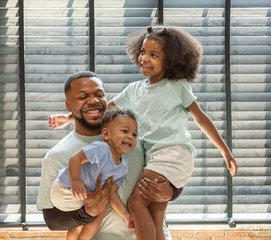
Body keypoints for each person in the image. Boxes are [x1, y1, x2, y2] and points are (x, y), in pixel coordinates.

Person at [48, 25, 239, 240]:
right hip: (154, 157)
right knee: (155, 215)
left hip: (171, 154)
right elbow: (104, 111)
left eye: (153, 55)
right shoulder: (134, 89)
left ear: (171, 59)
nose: (144, 58)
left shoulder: (178, 86)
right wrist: (68, 118)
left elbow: (201, 118)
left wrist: (225, 153)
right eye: (142, 52)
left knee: (136, 204)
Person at [37, 70, 179, 240]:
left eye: (99, 94)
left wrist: (171, 191)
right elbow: (52, 221)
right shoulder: (56, 157)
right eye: (83, 97)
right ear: (69, 106)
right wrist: (87, 212)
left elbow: (171, 164)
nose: (94, 101)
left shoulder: (135, 135)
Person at [50, 108, 138, 239]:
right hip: (66, 188)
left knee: (101, 206)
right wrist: (75, 180)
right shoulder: (102, 149)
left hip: (82, 196)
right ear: (106, 135)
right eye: (125, 131)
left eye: (135, 134)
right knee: (97, 211)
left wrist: (126, 215)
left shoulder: (122, 169)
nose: (130, 136)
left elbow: (112, 195)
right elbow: (76, 159)